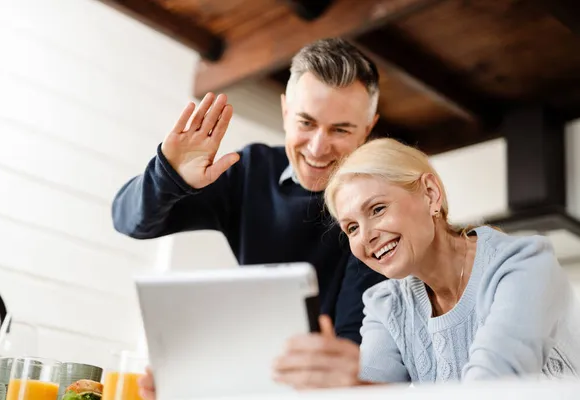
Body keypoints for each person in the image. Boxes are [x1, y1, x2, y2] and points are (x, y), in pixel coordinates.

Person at [111, 38, 388, 400]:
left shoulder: (380, 207)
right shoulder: (251, 172)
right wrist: (170, 176)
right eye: (306, 122)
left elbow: (358, 341)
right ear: (286, 112)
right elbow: (130, 220)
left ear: (367, 128)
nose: (318, 148)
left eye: (341, 129)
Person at [272, 138, 580, 388]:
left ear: (430, 194)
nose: (365, 236)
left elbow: (491, 389)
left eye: (377, 209)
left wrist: (357, 387)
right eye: (351, 227)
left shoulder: (525, 265)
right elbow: (370, 386)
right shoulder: (386, 304)